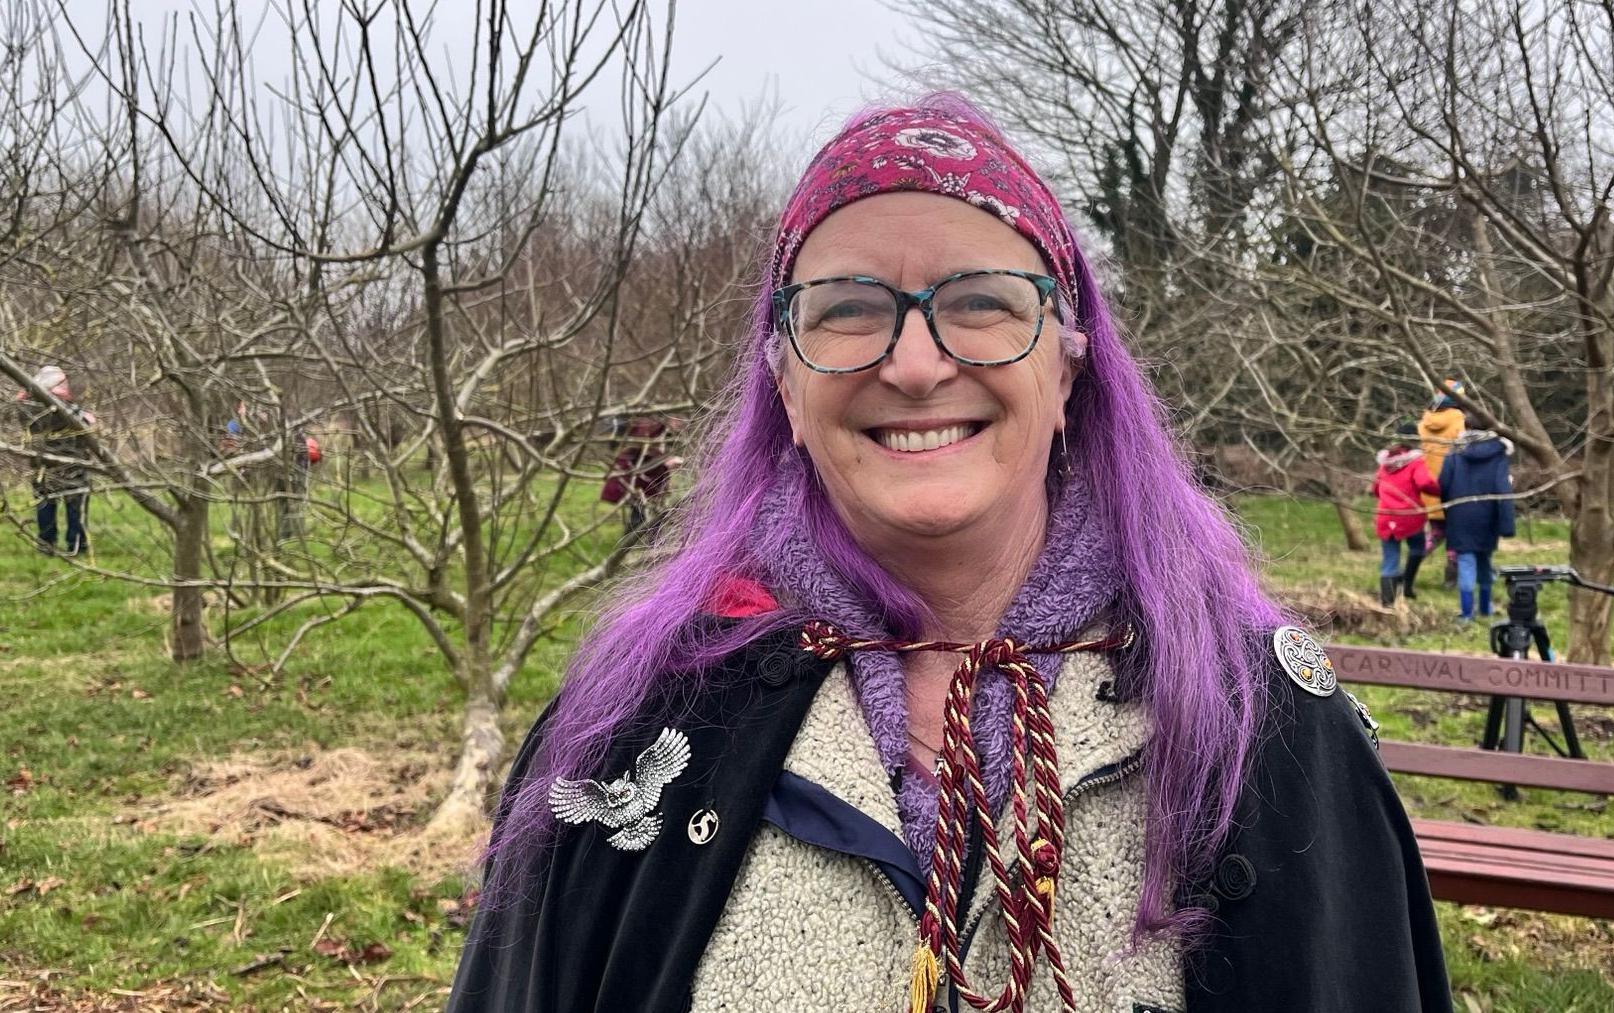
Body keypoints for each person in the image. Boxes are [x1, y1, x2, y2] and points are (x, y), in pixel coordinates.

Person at [447, 96, 1450, 1013]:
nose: (918, 364)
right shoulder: (639, 716)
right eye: (847, 307)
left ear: (1069, 360)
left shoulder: (1256, 717)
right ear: (784, 382)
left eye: (982, 301)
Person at [14, 365, 97, 555]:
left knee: (45, 504)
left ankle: (46, 544)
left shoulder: (26, 408)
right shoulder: (67, 409)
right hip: (73, 464)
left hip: (41, 465)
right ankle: (77, 546)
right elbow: (88, 426)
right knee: (75, 507)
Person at [1437, 430, 1515, 623]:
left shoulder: (1454, 453)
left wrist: (1448, 508)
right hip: (1488, 517)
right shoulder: (1498, 455)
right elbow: (1503, 490)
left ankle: (1466, 613)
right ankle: (1485, 607)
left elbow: (1443, 484)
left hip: (1460, 515)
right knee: (1484, 561)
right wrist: (1507, 524)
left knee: (1466, 563)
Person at [1371, 422, 1440, 607]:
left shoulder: (1385, 463)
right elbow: (1425, 483)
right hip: (1409, 516)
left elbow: (1376, 488)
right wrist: (1441, 490)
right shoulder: (1416, 461)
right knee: (1417, 548)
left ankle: (1387, 603)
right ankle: (1407, 584)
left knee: (1390, 559)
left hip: (1386, 516)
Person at [1418, 380, 1466, 589]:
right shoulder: (1460, 423)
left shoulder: (1423, 423)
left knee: (1436, 532)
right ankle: (1451, 578)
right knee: (1455, 534)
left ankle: (1411, 565)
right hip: (1454, 487)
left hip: (1428, 489)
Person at [601, 416, 673, 536]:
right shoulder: (648, 426)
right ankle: (633, 542)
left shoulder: (661, 428)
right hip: (640, 476)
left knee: (647, 510)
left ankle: (642, 540)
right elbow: (639, 448)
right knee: (641, 510)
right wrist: (663, 459)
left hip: (650, 476)